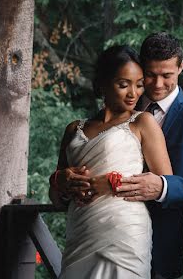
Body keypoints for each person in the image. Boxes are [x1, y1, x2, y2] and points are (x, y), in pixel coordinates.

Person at [50, 45, 173, 279]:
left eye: (138, 85)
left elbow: (165, 182)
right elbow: (56, 198)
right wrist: (59, 180)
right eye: (123, 84)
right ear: (103, 84)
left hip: (125, 234)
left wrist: (114, 184)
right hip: (81, 230)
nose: (133, 94)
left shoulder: (143, 123)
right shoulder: (74, 129)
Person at [115, 32, 183, 279]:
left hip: (160, 247)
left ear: (181, 68)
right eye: (151, 75)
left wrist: (164, 187)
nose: (158, 84)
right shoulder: (120, 106)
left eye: (167, 75)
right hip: (110, 235)